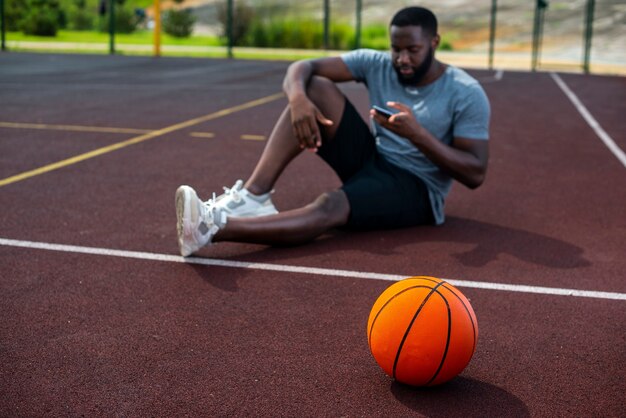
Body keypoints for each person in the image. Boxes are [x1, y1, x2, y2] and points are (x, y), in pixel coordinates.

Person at [175, 6, 491, 257]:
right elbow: (302, 67)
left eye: (413, 50)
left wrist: (417, 134)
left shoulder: (465, 92)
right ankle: (254, 195)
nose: (402, 59)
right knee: (315, 86)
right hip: (375, 160)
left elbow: (475, 173)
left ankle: (212, 229)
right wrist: (298, 100)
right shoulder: (379, 63)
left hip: (418, 188)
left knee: (330, 205)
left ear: (434, 42)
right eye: (396, 49)